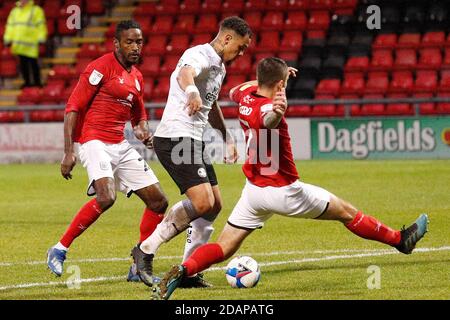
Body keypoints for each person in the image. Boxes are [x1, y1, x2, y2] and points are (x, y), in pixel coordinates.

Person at [153, 57, 430, 300]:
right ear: (280, 85)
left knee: (224, 248)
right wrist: (278, 111)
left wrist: (277, 78)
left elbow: (239, 89)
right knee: (346, 212)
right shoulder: (267, 110)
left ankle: (183, 270)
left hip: (254, 193)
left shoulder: (245, 97)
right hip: (285, 192)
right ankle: (400, 240)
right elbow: (268, 119)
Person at [129, 16, 252, 288]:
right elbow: (186, 73)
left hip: (192, 140)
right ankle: (145, 250)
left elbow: (211, 104)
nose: (241, 54)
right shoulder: (199, 54)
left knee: (214, 205)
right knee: (203, 202)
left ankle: (189, 271)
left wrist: (226, 136)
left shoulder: (219, 66)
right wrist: (192, 92)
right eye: (241, 47)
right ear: (227, 38)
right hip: (176, 137)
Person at [46, 20, 168, 277]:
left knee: (158, 202)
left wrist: (143, 130)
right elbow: (72, 108)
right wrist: (69, 151)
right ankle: (59, 248)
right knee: (106, 197)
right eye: (129, 41)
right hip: (94, 141)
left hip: (119, 144)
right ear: (116, 43)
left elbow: (139, 115)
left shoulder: (136, 77)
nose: (135, 47)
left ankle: (138, 265)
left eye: (139, 41)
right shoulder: (100, 67)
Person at [3, 0, 47, 88]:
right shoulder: (14, 12)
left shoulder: (36, 10)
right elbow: (10, 26)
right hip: (19, 44)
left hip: (31, 44)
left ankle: (37, 83)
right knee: (23, 65)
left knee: (34, 64)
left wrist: (41, 38)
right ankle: (27, 83)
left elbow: (41, 25)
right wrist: (7, 39)